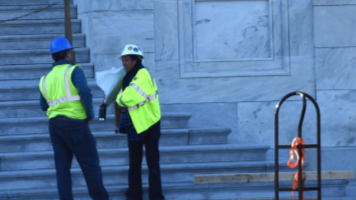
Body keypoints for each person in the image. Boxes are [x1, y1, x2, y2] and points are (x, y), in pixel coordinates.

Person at [39, 37, 109, 200]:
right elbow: (84, 91)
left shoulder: (45, 79)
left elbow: (44, 106)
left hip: (55, 126)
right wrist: (89, 114)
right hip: (76, 125)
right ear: (67, 54)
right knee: (90, 167)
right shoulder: (74, 70)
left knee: (62, 171)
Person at [115, 44, 164, 200]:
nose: (124, 63)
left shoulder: (143, 74)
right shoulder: (126, 77)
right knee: (134, 165)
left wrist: (119, 98)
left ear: (136, 60)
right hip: (136, 125)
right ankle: (134, 195)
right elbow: (120, 97)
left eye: (127, 60)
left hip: (150, 124)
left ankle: (156, 197)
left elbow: (126, 98)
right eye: (122, 60)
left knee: (152, 165)